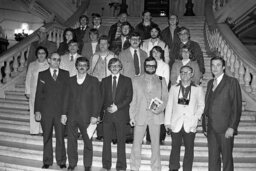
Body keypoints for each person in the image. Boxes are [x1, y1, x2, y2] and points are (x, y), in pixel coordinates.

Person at [202, 56, 242, 171]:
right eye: (213, 65)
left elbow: (236, 106)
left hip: (225, 129)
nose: (215, 68)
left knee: (227, 160)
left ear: (223, 67)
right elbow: (208, 106)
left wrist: (232, 127)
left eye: (218, 65)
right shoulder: (210, 83)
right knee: (213, 160)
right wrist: (205, 125)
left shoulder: (231, 82)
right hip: (211, 130)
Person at [61, 57, 101, 171]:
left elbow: (97, 100)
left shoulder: (94, 81)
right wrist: (63, 114)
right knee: (71, 141)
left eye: (84, 65)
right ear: (76, 66)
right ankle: (72, 163)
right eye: (80, 65)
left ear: (88, 67)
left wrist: (95, 115)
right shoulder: (70, 80)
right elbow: (65, 98)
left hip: (87, 117)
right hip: (72, 116)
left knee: (87, 141)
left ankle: (87, 165)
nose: (82, 67)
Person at [130, 57, 168, 171]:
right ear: (144, 66)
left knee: (155, 144)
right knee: (136, 143)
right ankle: (134, 167)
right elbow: (133, 99)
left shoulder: (162, 80)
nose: (150, 67)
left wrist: (160, 109)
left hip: (155, 116)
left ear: (155, 67)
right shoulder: (135, 80)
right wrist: (131, 116)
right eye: (148, 65)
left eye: (153, 66)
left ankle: (156, 167)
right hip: (140, 115)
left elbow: (165, 98)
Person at [165, 65, 205, 171]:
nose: (184, 74)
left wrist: (196, 118)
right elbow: (169, 105)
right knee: (175, 148)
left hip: (190, 123)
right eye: (182, 72)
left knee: (189, 149)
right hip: (175, 123)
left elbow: (201, 105)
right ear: (180, 74)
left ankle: (187, 169)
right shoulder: (174, 88)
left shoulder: (198, 89)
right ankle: (173, 168)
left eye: (187, 72)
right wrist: (167, 122)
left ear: (192, 74)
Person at [34, 52, 68, 169]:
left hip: (60, 113)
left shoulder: (65, 74)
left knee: (60, 137)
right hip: (46, 112)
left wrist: (65, 113)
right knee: (46, 136)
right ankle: (47, 161)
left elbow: (67, 95)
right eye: (54, 59)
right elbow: (39, 94)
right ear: (49, 60)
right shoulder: (42, 74)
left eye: (58, 60)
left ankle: (61, 161)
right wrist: (37, 110)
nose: (56, 62)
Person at [101, 58, 133, 171]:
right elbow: (101, 98)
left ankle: (121, 166)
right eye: (112, 65)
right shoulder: (104, 81)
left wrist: (117, 107)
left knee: (121, 142)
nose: (115, 67)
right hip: (108, 115)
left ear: (121, 67)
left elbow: (129, 97)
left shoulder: (127, 80)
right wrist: (106, 109)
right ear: (109, 68)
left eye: (117, 65)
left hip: (121, 114)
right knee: (106, 142)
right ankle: (106, 165)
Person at [25, 46, 49, 135]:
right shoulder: (32, 64)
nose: (41, 55)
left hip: (46, 92)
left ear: (46, 54)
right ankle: (34, 130)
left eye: (43, 53)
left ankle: (44, 130)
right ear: (36, 55)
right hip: (34, 91)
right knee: (34, 110)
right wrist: (27, 91)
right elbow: (28, 78)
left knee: (45, 111)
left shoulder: (50, 64)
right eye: (39, 53)